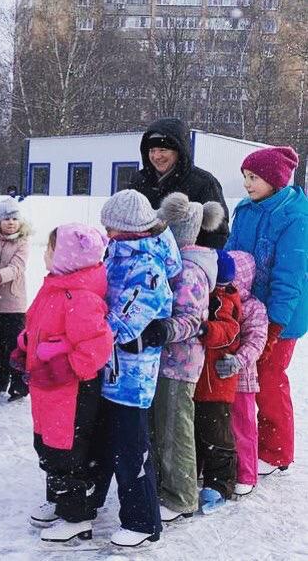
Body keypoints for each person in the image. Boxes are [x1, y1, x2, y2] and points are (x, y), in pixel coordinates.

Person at [91, 189, 182, 548]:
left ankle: (143, 521)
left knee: (131, 448)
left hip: (132, 376)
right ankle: (88, 502)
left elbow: (125, 324)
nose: (107, 233)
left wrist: (83, 330)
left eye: (111, 227)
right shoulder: (117, 253)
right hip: (107, 367)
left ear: (130, 230)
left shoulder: (147, 268)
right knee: (101, 440)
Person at [13, 224, 112, 544]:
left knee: (67, 452)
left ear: (68, 257)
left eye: (51, 249)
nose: (45, 253)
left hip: (70, 392)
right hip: (46, 389)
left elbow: (97, 345)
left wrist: (64, 368)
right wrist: (24, 345)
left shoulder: (80, 296)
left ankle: (76, 516)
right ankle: (59, 499)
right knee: (46, 445)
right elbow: (38, 325)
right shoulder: (54, 287)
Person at [224, 146, 308, 476]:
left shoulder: (295, 217)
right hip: (246, 309)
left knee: (270, 378)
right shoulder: (245, 209)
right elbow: (230, 254)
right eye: (245, 176)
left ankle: (276, 451)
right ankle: (244, 441)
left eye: (254, 177)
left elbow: (291, 276)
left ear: (274, 180)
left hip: (280, 316)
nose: (246, 184)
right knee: (245, 379)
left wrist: (275, 325)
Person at [144, 193, 223, 523]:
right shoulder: (176, 262)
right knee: (163, 427)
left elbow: (193, 319)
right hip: (167, 361)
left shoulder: (189, 269)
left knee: (176, 430)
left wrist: (163, 330)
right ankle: (166, 486)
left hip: (180, 362)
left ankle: (181, 497)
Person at [129, 117, 229, 248]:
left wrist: (201, 264)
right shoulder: (139, 181)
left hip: (187, 263)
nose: (156, 156)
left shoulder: (203, 182)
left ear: (179, 150)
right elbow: (122, 226)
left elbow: (217, 235)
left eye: (163, 150)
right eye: (152, 150)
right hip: (141, 262)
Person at [194, 251, 243, 512]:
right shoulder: (208, 295)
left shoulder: (225, 300)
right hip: (198, 382)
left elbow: (229, 331)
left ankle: (220, 483)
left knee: (217, 435)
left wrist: (205, 329)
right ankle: (198, 474)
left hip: (216, 386)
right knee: (195, 432)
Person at [224, 250, 268, 497]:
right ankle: (220, 468)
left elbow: (256, 341)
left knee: (243, 428)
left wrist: (238, 361)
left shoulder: (253, 308)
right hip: (218, 378)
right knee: (219, 426)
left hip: (242, 380)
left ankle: (246, 473)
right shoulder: (220, 301)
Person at [0, 198, 30, 401]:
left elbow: (17, 268)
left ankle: (19, 385)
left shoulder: (21, 243)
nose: (11, 222)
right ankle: (0, 379)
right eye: (6, 219)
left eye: (14, 218)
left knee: (15, 347)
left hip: (13, 303)